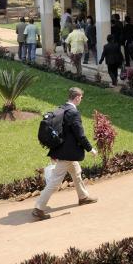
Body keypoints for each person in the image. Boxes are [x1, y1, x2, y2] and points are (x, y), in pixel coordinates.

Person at [32, 87, 98, 220]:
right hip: (67, 153)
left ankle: (83, 197)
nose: (81, 99)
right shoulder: (73, 112)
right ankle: (38, 208)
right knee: (55, 182)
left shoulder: (63, 108)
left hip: (63, 150)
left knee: (76, 173)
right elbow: (80, 135)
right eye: (81, 97)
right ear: (77, 97)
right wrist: (90, 149)